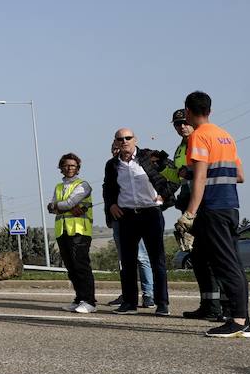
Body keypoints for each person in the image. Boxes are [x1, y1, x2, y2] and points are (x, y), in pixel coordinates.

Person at [178, 91, 250, 338]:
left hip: (213, 208)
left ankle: (238, 321)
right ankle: (245, 319)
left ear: (188, 112)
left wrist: (189, 213)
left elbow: (200, 178)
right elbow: (239, 175)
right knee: (234, 264)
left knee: (225, 264)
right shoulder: (225, 136)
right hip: (231, 206)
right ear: (209, 110)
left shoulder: (199, 136)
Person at [103, 128, 176, 315]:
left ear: (135, 139)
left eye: (128, 138)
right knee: (127, 262)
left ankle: (162, 303)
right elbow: (108, 188)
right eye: (120, 139)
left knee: (156, 260)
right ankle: (129, 303)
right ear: (116, 142)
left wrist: (163, 196)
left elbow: (176, 175)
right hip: (127, 216)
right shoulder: (112, 165)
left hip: (150, 214)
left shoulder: (149, 157)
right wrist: (111, 205)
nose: (124, 141)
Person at [164, 108, 225, 321]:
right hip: (189, 204)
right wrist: (162, 166)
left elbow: (204, 173)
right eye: (177, 124)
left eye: (184, 122)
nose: (181, 127)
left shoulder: (203, 139)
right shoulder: (181, 147)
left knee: (215, 258)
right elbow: (179, 177)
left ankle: (223, 307)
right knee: (198, 258)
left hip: (206, 205)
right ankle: (207, 304)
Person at [104, 137, 155, 308]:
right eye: (114, 151)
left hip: (134, 215)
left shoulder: (137, 166)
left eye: (118, 150)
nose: (117, 153)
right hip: (119, 219)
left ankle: (149, 294)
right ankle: (127, 294)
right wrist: (110, 214)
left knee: (141, 257)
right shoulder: (112, 168)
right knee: (124, 259)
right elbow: (108, 192)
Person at [48, 153, 96, 312]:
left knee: (81, 265)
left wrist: (59, 206)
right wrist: (60, 206)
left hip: (79, 230)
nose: (69, 168)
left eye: (73, 165)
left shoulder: (83, 185)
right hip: (62, 230)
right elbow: (51, 207)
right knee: (71, 267)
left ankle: (89, 301)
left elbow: (69, 203)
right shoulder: (59, 186)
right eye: (66, 165)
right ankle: (79, 298)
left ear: (78, 168)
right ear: (61, 168)